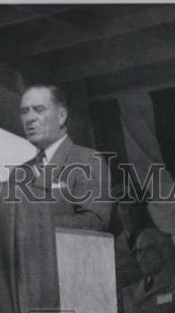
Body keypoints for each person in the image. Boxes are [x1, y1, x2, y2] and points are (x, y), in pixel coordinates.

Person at [18, 84, 111, 232]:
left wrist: (36, 224)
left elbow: (96, 221)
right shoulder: (19, 173)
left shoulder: (87, 159)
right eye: (24, 111)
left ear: (61, 116)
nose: (29, 118)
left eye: (39, 109)